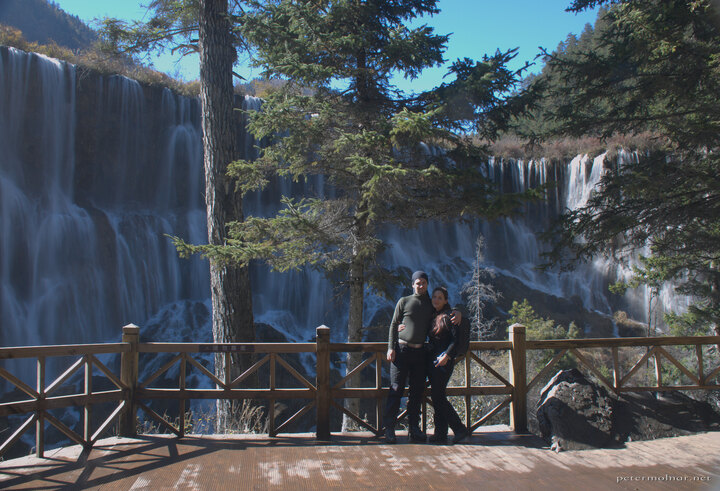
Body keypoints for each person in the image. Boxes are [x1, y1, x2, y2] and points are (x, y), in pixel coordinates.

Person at [383, 270, 461, 444]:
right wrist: (390, 347)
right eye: (417, 283)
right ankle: (389, 429)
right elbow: (393, 324)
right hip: (401, 351)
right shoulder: (404, 301)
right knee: (396, 389)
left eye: (423, 283)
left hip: (419, 354)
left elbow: (446, 308)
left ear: (427, 285)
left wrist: (458, 312)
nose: (420, 285)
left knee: (416, 393)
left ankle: (414, 429)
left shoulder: (430, 303)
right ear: (412, 284)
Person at [426, 286, 470, 444]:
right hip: (433, 361)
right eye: (434, 297)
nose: (436, 300)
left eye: (440, 297)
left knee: (437, 396)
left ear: (445, 300)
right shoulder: (433, 314)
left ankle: (459, 429)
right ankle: (440, 433)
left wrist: (447, 355)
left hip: (444, 362)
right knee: (438, 396)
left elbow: (455, 339)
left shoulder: (450, 315)